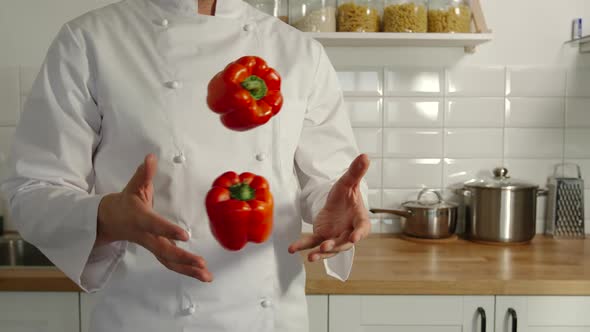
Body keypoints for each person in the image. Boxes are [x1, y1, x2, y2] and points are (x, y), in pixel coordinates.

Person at [1, 0, 371, 331]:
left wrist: (336, 205)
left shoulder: (299, 52)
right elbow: (32, 190)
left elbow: (331, 182)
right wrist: (105, 215)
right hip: (143, 314)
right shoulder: (89, 41)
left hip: (269, 317)